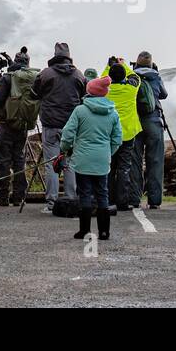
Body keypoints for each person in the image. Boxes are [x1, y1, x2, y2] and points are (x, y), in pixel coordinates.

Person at [60, 75, 122, 241]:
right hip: (102, 160)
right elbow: (117, 139)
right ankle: (104, 232)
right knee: (103, 194)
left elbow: (67, 134)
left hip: (82, 159)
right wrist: (108, 152)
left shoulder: (80, 110)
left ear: (90, 92)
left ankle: (84, 231)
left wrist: (64, 149)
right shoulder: (113, 113)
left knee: (85, 194)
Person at [33, 43, 87, 212]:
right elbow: (84, 96)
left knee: (51, 164)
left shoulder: (46, 74)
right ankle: (71, 199)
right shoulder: (78, 75)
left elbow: (34, 93)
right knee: (70, 163)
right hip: (71, 125)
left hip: (50, 124)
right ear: (68, 56)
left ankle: (51, 203)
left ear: (55, 55)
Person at [0, 48, 38, 207]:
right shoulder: (32, 78)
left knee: (4, 160)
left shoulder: (7, 78)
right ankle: (19, 197)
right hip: (24, 125)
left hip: (5, 124)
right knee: (19, 159)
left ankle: (2, 197)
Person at [103, 60, 143, 211]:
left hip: (109, 133)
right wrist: (123, 64)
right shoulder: (131, 89)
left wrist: (109, 65)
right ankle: (123, 201)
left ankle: (108, 199)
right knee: (124, 167)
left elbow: (102, 77)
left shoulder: (106, 90)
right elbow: (135, 77)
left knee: (109, 166)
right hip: (127, 133)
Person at [133, 51, 169, 209]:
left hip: (135, 121)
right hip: (154, 121)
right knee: (155, 161)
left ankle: (133, 198)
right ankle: (154, 200)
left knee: (134, 160)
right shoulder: (155, 76)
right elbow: (164, 94)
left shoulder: (132, 76)